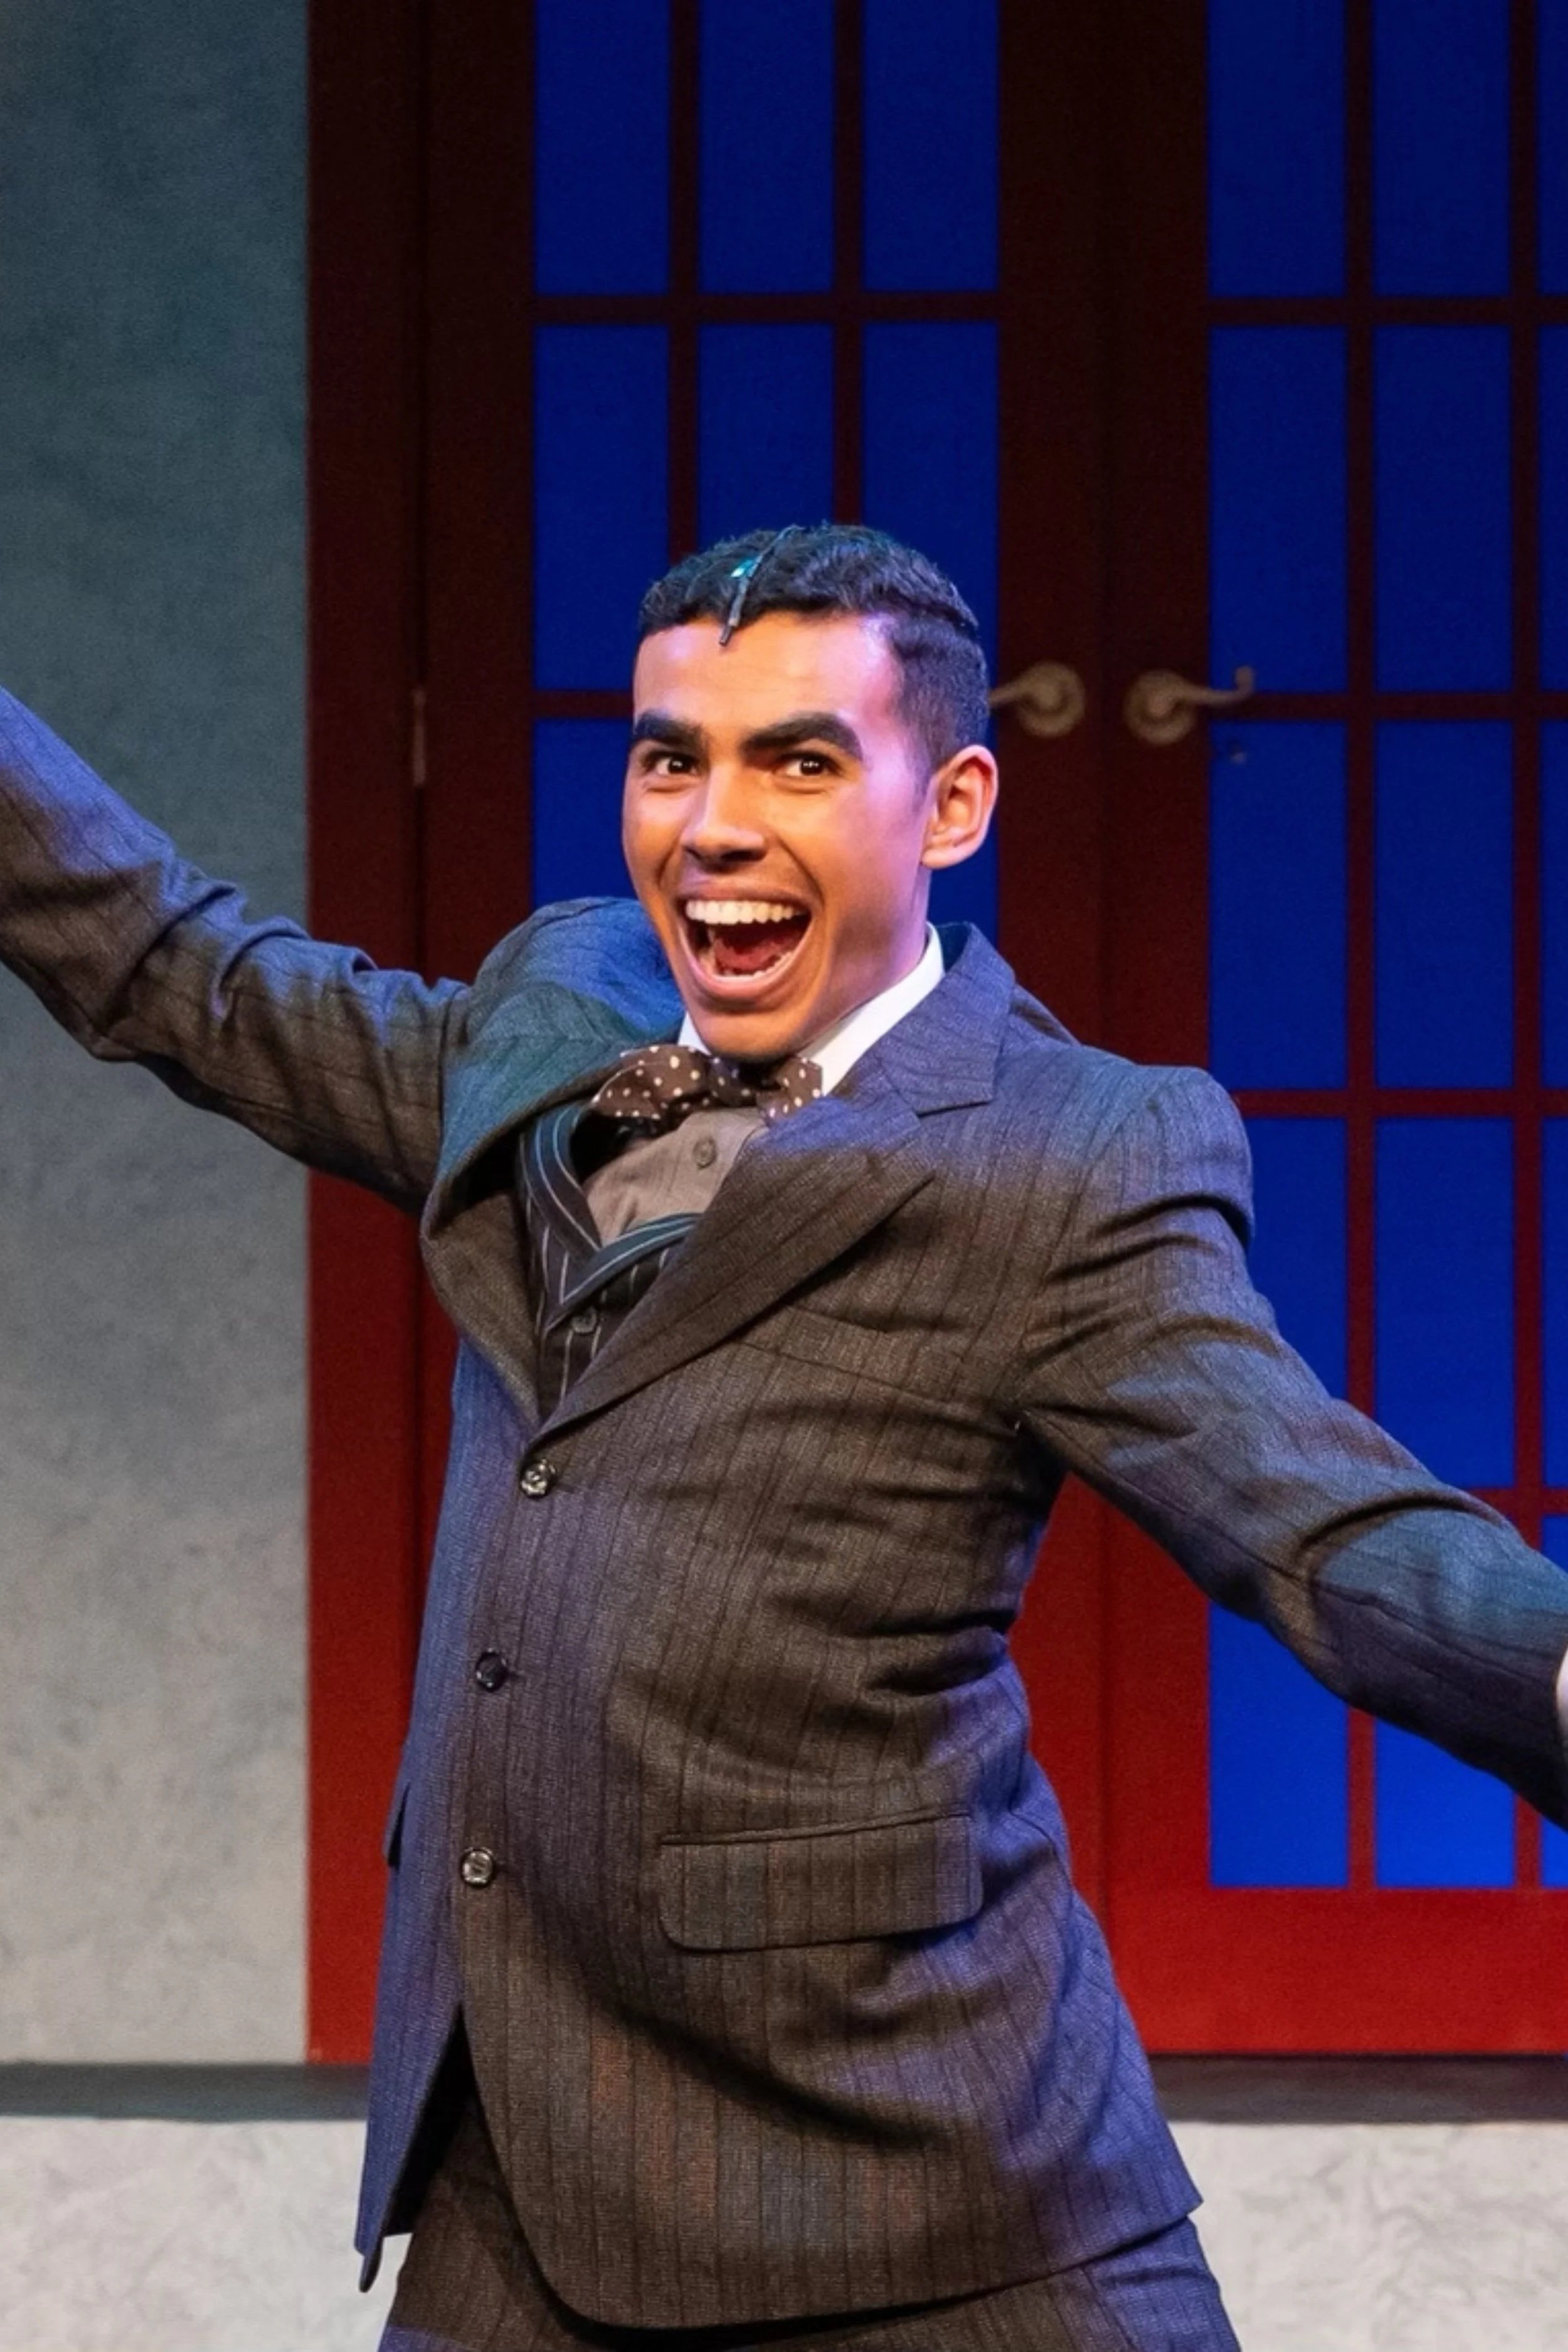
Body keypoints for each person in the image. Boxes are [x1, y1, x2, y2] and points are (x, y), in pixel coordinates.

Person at [3, 523, 1567, 2352]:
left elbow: (1324, 1528)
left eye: (800, 762)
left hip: (923, 2181)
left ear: (951, 804)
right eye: (671, 759)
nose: (715, 825)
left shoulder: (1067, 1155)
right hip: (525, 2165)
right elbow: (184, 971)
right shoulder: (556, 1019)